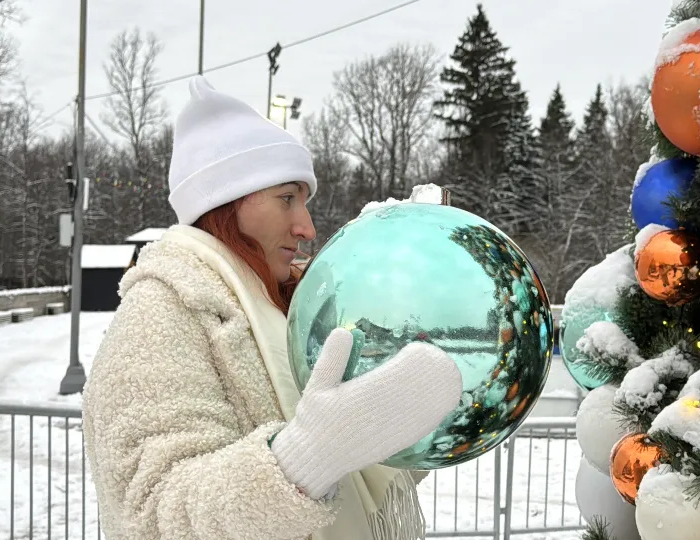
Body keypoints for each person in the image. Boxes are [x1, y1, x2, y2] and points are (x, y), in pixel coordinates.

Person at [81, 76, 464, 540]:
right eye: (287, 199)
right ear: (226, 204)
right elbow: (152, 515)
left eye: (304, 202)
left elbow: (355, 470)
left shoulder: (290, 311)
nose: (306, 227)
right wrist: (304, 459)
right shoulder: (160, 313)